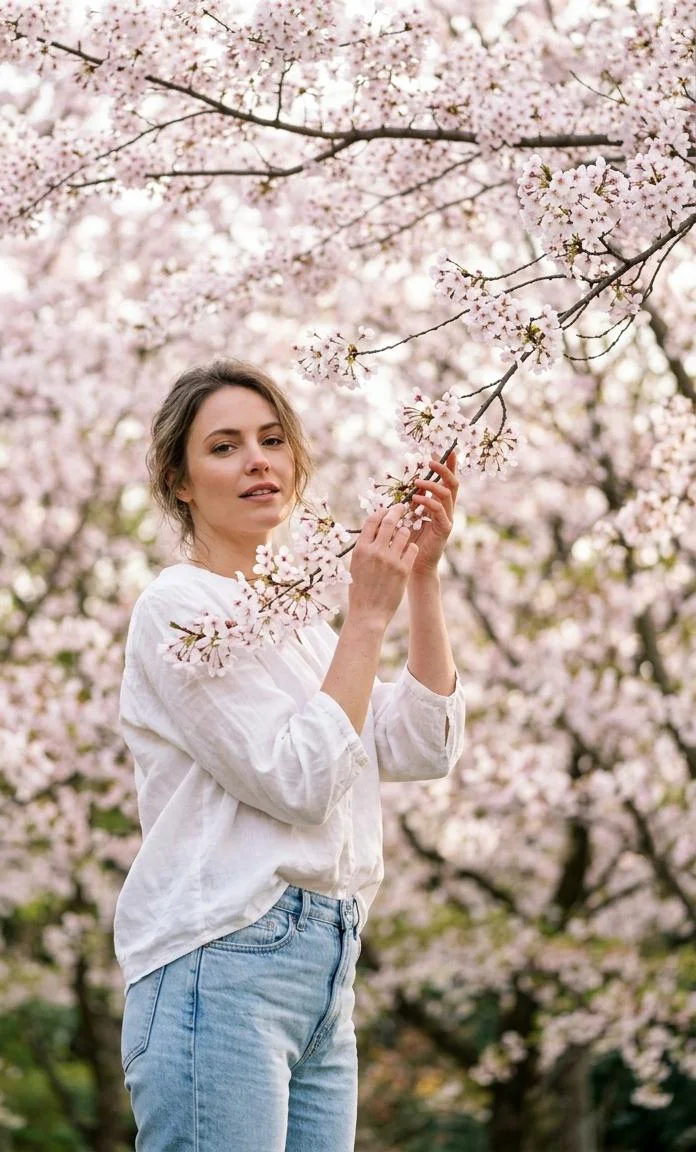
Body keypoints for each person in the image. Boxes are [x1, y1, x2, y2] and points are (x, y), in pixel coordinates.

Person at [114, 359, 465, 1151]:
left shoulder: (306, 627)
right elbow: (299, 782)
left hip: (327, 971)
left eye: (272, 441)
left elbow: (421, 744)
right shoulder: (179, 609)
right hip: (222, 960)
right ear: (180, 479)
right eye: (225, 447)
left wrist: (421, 581)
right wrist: (365, 621)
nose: (257, 461)